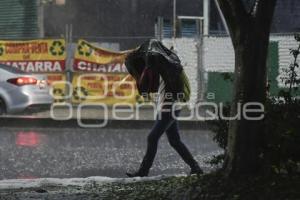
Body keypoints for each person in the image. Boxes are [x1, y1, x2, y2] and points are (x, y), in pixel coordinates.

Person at [125, 41, 203, 177]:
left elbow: (172, 87)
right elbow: (146, 86)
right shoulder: (160, 68)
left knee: (152, 138)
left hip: (169, 107)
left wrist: (168, 103)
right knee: (174, 141)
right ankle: (195, 167)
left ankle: (143, 171)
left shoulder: (166, 68)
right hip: (167, 107)